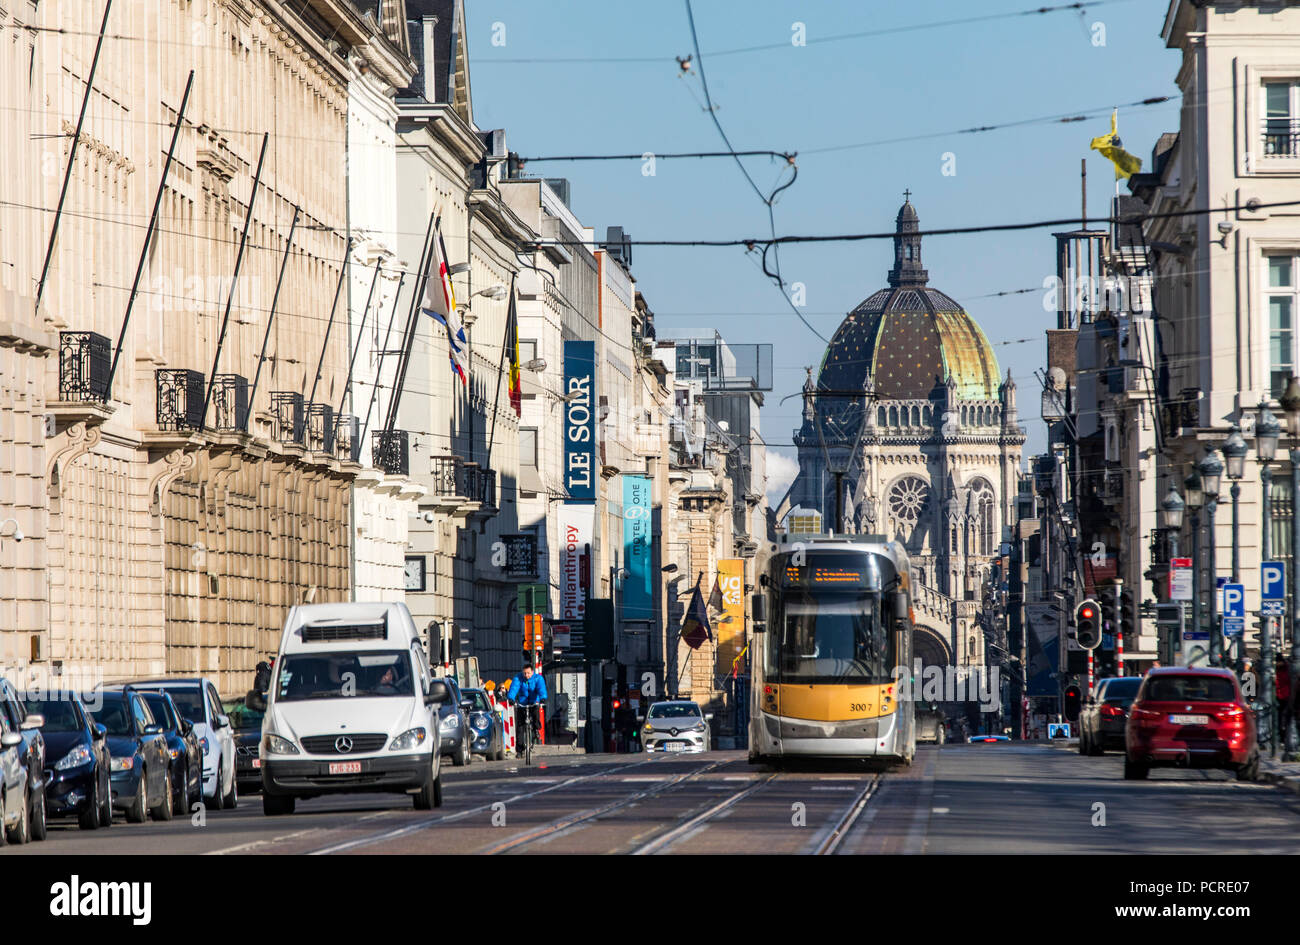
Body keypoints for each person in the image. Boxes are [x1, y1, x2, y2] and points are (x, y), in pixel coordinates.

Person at [508, 665, 548, 751]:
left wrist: (543, 698)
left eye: (528, 673)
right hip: (522, 703)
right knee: (520, 726)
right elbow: (514, 688)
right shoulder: (518, 678)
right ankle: (520, 749)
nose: (526, 675)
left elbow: (541, 688)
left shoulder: (538, 678)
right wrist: (511, 698)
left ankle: (536, 729)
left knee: (535, 715)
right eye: (525, 673)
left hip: (533, 702)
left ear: (532, 672)